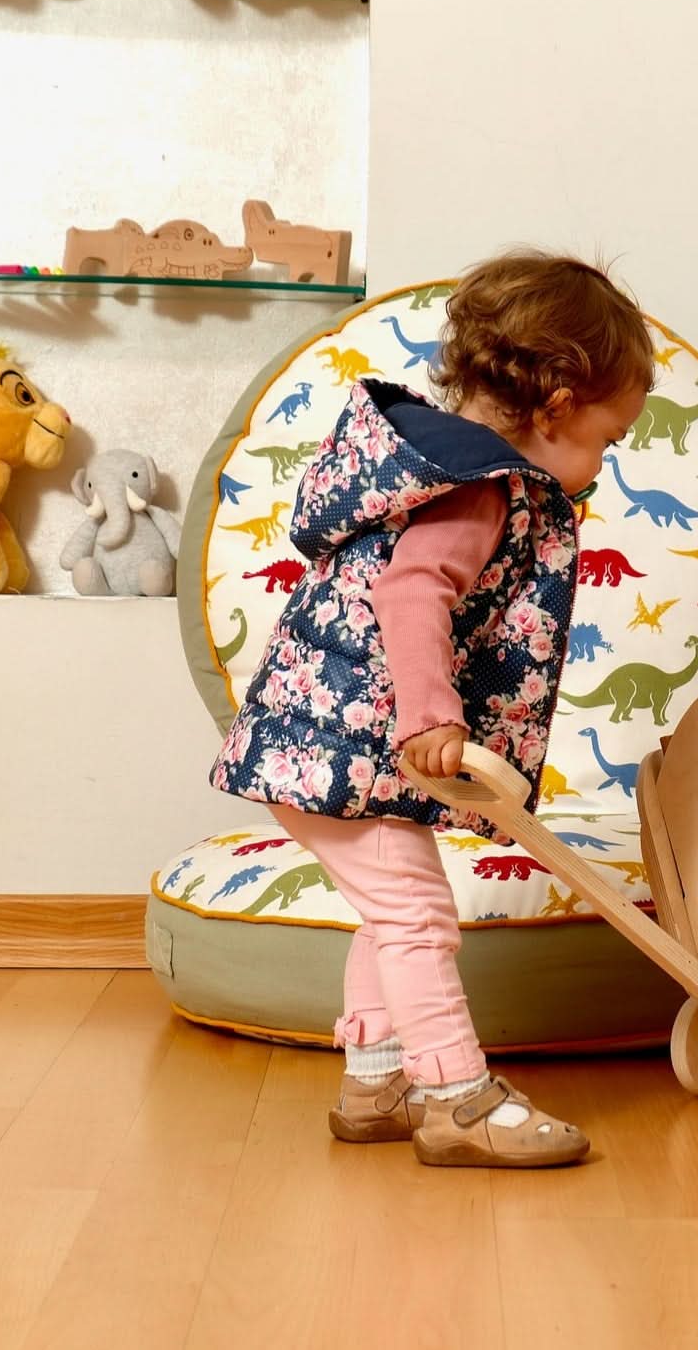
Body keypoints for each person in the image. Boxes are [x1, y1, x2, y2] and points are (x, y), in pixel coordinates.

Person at [211, 251, 652, 1167]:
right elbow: (412, 595)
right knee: (418, 917)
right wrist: (429, 719)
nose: (605, 465)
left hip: (318, 742)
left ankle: (376, 1080)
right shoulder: (477, 484)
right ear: (560, 400)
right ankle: (454, 1092)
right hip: (348, 747)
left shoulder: (440, 465)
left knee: (389, 912)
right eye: (608, 440)